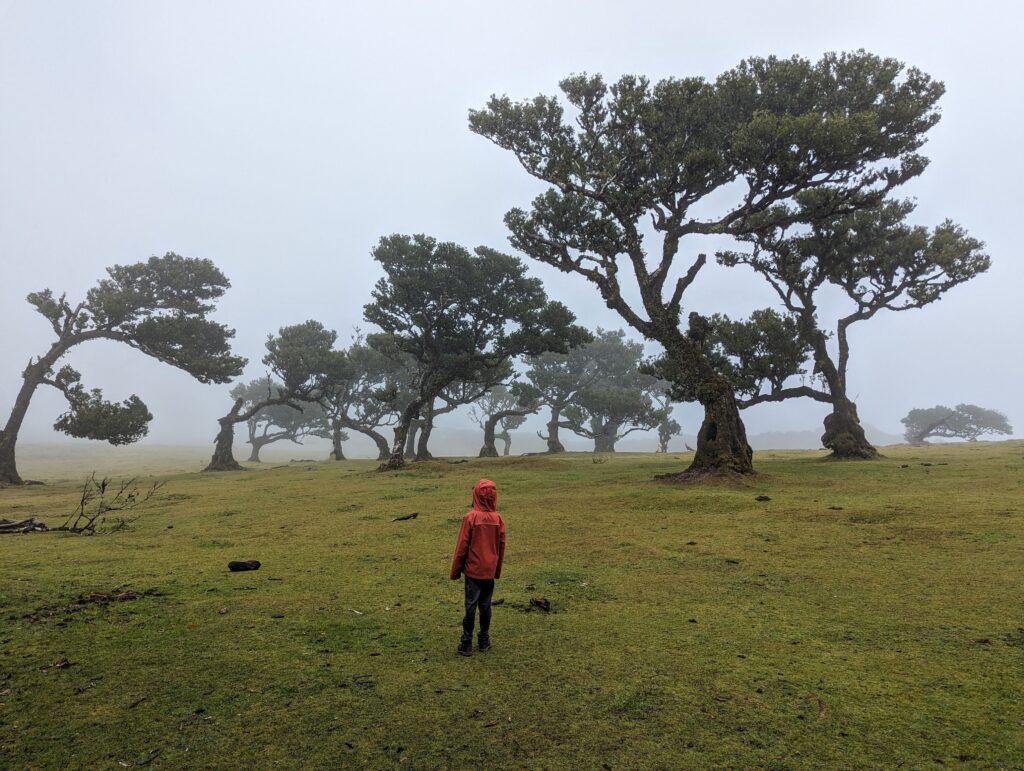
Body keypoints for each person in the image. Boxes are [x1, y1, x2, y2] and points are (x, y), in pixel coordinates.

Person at [449, 478, 505, 656]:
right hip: (489, 570)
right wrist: (496, 569)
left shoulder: (471, 517)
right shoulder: (498, 519)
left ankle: (466, 642)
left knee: (471, 605)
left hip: (473, 571)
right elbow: (501, 546)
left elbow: (462, 546)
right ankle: (484, 640)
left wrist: (456, 571)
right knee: (486, 605)